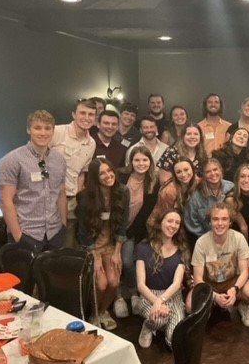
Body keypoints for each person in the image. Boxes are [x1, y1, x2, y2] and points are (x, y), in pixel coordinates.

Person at [0, 110, 67, 251]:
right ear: (29, 130)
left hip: (55, 234)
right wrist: (18, 236)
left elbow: (61, 193)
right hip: (26, 234)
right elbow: (6, 201)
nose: (43, 133)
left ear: (53, 131)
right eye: (37, 128)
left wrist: (63, 226)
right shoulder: (12, 160)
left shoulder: (59, 160)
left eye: (47, 128)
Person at [77, 158, 129, 330]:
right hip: (92, 246)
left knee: (114, 282)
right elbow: (83, 231)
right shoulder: (85, 197)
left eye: (109, 171)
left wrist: (117, 252)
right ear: (95, 177)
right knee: (101, 283)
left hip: (111, 244)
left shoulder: (122, 191)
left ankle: (103, 311)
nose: (108, 175)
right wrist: (95, 256)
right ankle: (93, 314)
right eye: (102, 173)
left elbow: (122, 224)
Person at [191, 202, 249, 327]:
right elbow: (197, 279)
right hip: (210, 285)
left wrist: (235, 289)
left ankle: (241, 304)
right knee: (189, 306)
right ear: (210, 222)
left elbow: (245, 271)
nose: (220, 223)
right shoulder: (201, 243)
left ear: (230, 222)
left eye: (224, 219)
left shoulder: (238, 238)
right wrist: (214, 296)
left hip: (232, 282)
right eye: (215, 219)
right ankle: (213, 305)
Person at [114, 145, 159, 319]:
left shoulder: (152, 182)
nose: (141, 163)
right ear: (130, 161)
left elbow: (146, 212)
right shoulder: (121, 176)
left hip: (131, 230)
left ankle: (133, 293)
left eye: (145, 160)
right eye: (137, 160)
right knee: (113, 263)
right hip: (112, 227)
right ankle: (117, 296)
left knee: (127, 262)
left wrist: (127, 233)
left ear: (150, 162)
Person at [135, 209, 189, 348]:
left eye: (177, 223)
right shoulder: (142, 247)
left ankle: (165, 325)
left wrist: (161, 300)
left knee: (174, 341)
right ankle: (148, 326)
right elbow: (140, 285)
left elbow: (176, 284)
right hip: (150, 294)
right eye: (170, 221)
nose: (173, 225)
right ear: (160, 222)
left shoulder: (181, 249)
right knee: (158, 319)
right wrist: (157, 302)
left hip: (173, 295)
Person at [50, 98, 97, 249]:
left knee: (67, 244)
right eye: (82, 113)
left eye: (91, 114)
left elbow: (82, 173)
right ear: (73, 114)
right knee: (48, 244)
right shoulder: (57, 132)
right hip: (50, 199)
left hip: (71, 200)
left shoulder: (91, 143)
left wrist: (78, 198)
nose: (86, 117)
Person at [185, 159, 234, 243]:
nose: (213, 174)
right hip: (204, 239)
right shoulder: (195, 196)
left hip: (228, 237)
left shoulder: (231, 187)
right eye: (208, 172)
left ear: (221, 170)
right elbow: (192, 223)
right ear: (203, 175)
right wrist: (207, 239)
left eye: (215, 169)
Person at [148, 158, 196, 233]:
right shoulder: (169, 191)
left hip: (180, 225)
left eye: (186, 170)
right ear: (175, 175)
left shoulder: (195, 184)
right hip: (160, 227)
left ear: (192, 169)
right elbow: (163, 218)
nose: (183, 174)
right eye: (178, 172)